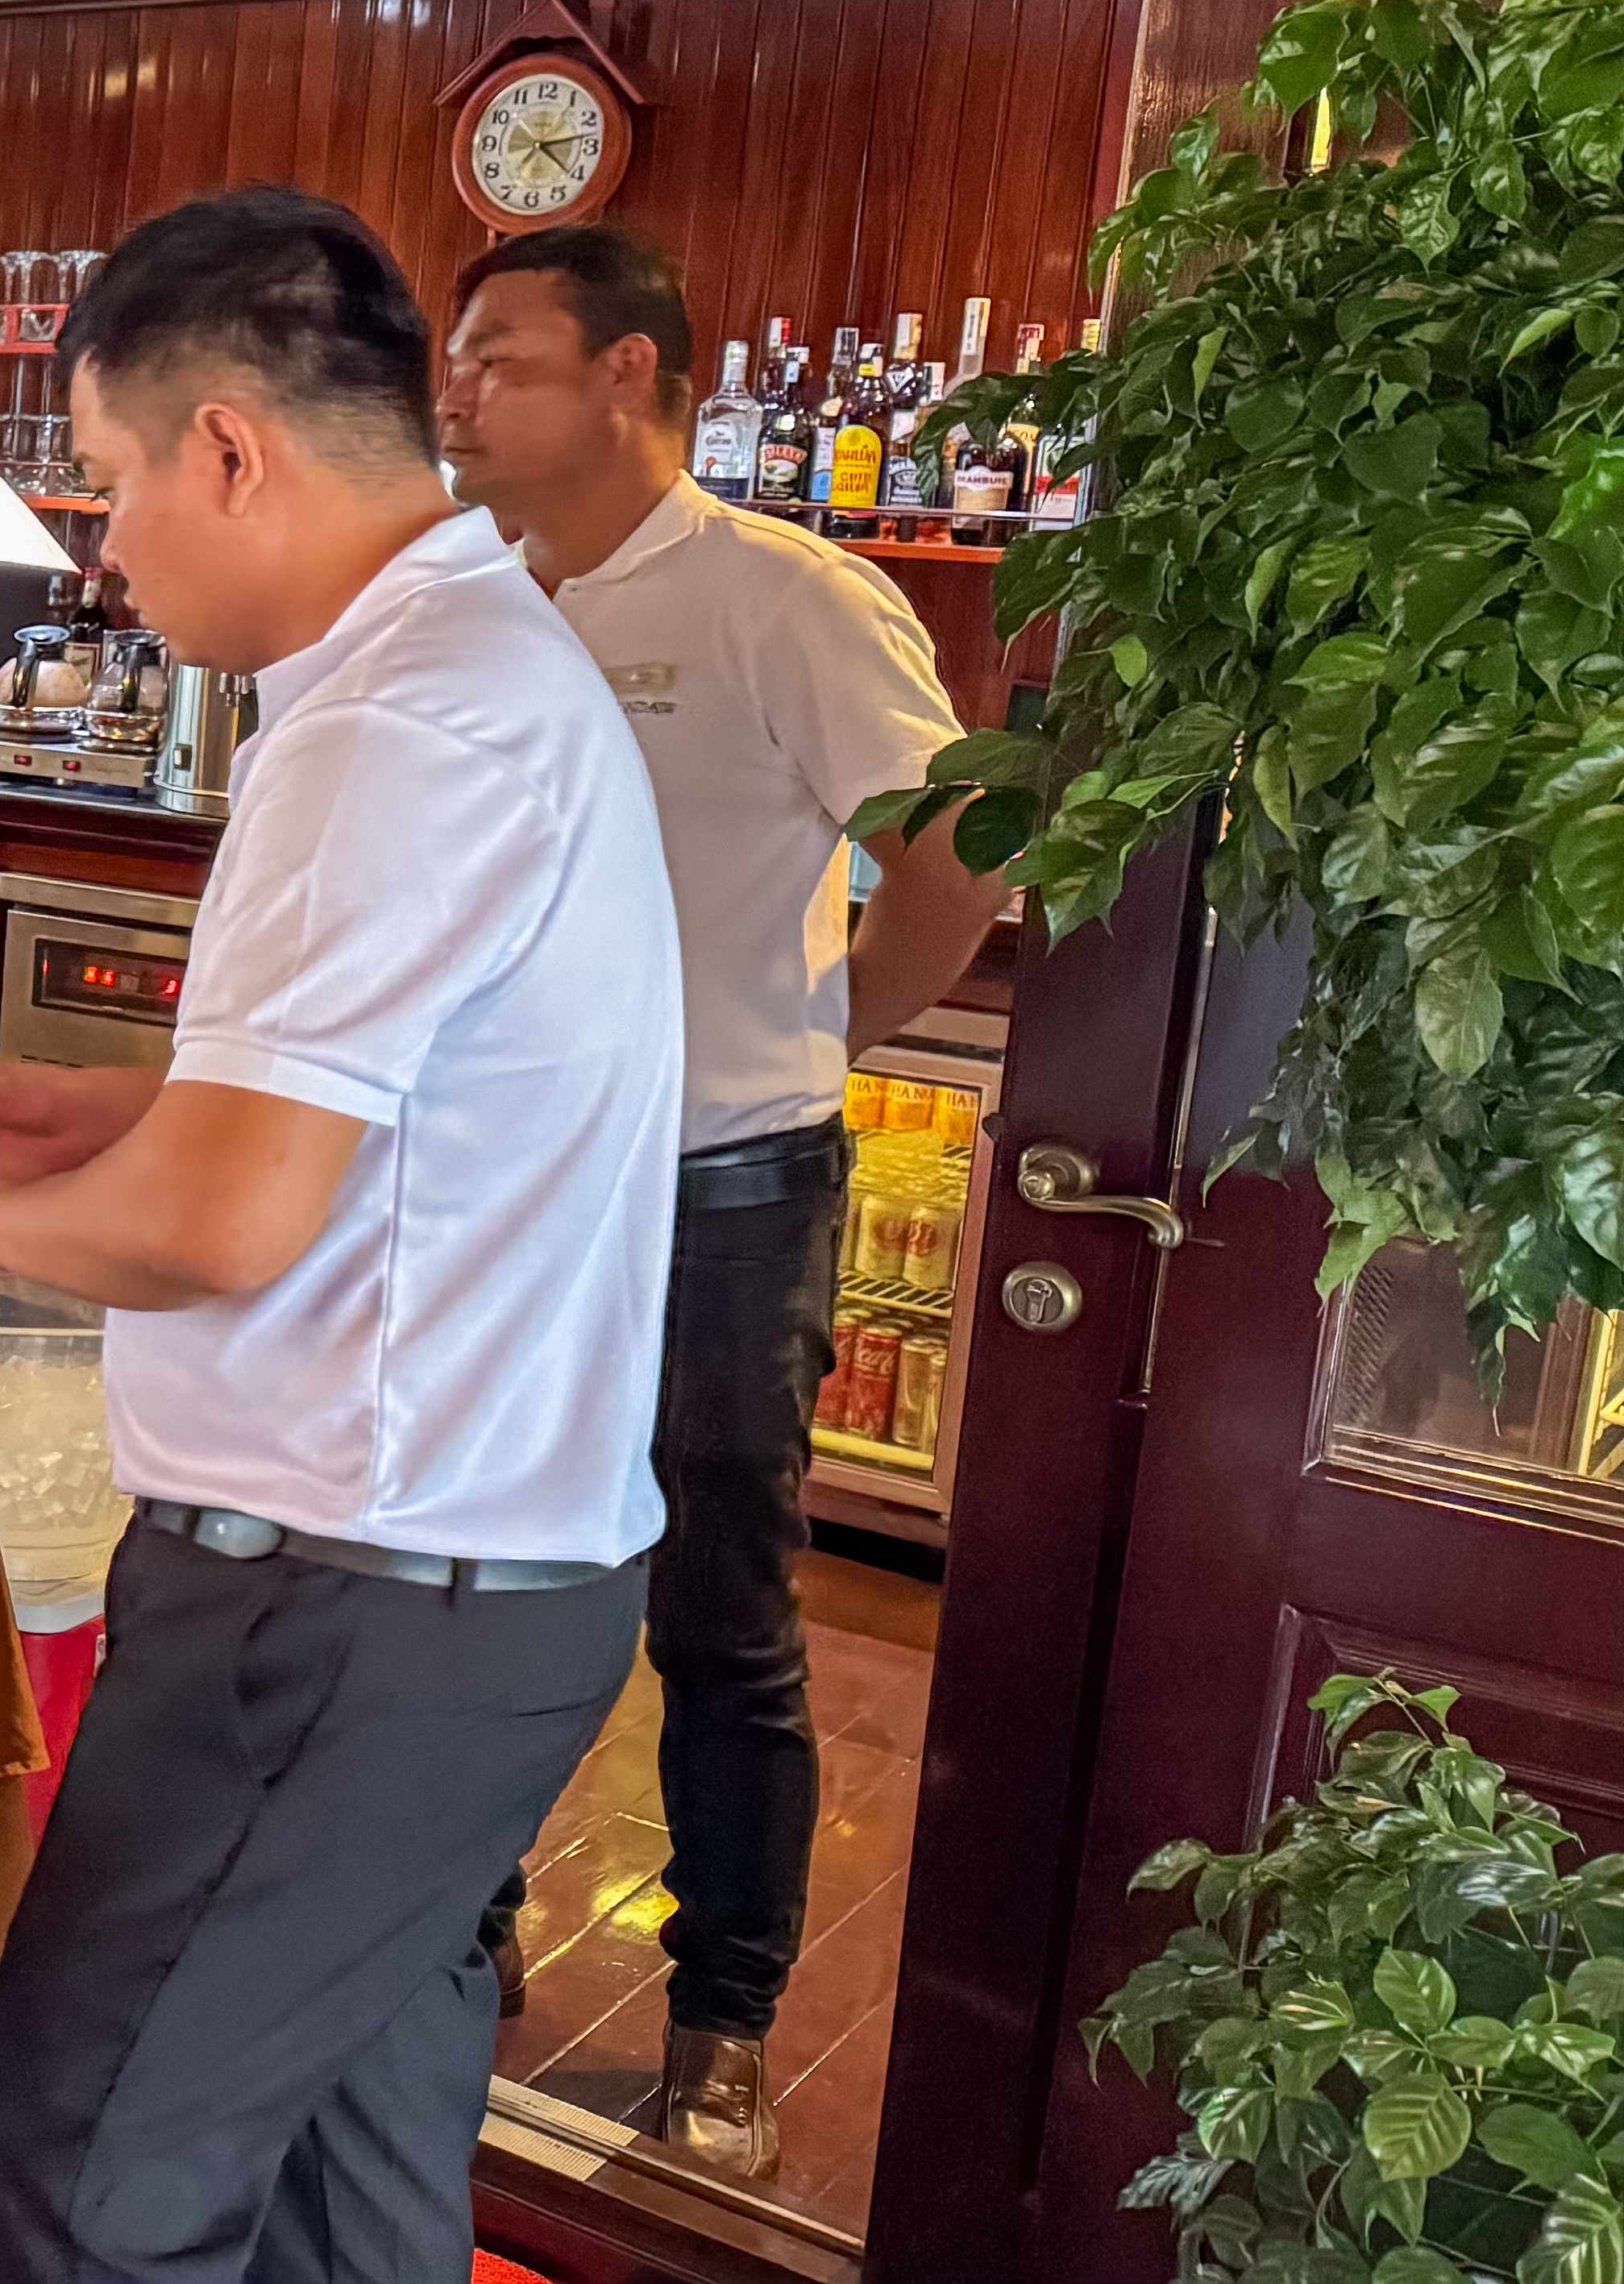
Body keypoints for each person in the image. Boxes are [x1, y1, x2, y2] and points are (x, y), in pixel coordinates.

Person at [0, 188, 679, 2284]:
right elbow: (389, 1122)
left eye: (113, 478)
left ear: (229, 447)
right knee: (345, 2178)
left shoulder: (402, 718)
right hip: (470, 1593)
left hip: (348, 1606)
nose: (105, 550)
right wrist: (118, 1115)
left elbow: (232, 1220)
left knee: (87, 2162)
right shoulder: (467, 666)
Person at [435, 226, 1009, 2173]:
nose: (457, 394)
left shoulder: (787, 596)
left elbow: (960, 853)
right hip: (508, 1177)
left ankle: (725, 2015)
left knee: (719, 1613)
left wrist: (821, 1025)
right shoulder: (475, 595)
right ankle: (465, 1925)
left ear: (630, 375)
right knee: (484, 1572)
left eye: (501, 357)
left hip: (719, 1186)